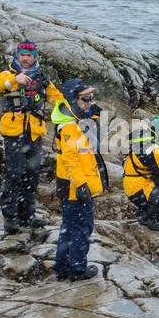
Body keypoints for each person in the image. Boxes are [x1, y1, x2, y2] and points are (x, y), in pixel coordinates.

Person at [0, 40, 64, 234]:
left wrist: (77, 109)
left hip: (34, 132)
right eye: (22, 55)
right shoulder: (8, 74)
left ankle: (28, 216)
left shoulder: (42, 78)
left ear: (34, 57)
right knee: (14, 175)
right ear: (18, 56)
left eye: (29, 56)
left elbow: (57, 99)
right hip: (14, 133)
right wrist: (14, 81)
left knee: (32, 175)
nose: (26, 59)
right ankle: (10, 218)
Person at [52, 78, 107, 280]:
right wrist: (81, 184)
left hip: (74, 184)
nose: (89, 102)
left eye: (91, 98)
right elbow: (70, 158)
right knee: (81, 228)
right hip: (76, 185)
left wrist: (94, 119)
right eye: (85, 99)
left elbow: (95, 144)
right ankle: (77, 268)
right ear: (72, 100)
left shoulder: (77, 121)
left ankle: (63, 265)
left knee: (69, 226)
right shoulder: (69, 126)